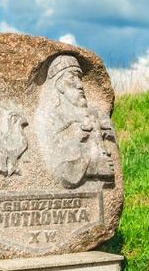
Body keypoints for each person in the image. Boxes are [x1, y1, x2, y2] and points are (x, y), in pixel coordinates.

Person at [34, 54, 115, 188]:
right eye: (72, 77)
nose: (80, 85)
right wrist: (94, 163)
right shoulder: (48, 118)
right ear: (59, 85)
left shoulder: (95, 115)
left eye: (80, 78)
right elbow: (60, 169)